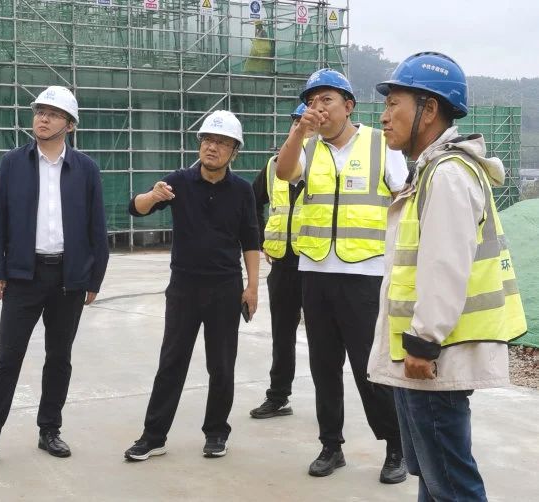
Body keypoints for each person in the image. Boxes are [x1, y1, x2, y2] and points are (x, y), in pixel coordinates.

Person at [369, 52, 527, 501]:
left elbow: (445, 267)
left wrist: (423, 341)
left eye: (393, 103)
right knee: (434, 477)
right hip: (421, 355)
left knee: (453, 486)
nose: (384, 116)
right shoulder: (430, 171)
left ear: (429, 109)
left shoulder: (448, 175)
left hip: (433, 357)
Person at [0, 86, 110, 473]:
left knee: (59, 358)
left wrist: (94, 277)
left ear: (70, 125)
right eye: (39, 111)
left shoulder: (86, 169)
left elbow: (97, 227)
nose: (42, 118)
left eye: (52, 113)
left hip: (69, 277)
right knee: (7, 359)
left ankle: (50, 430)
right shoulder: (13, 163)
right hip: (23, 276)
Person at [275, 69, 408, 483]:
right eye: (311, 101)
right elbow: (283, 172)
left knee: (370, 369)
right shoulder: (307, 146)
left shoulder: (380, 144)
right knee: (323, 366)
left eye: (326, 99)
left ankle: (396, 447)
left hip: (364, 274)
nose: (318, 108)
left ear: (348, 106)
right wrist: (299, 131)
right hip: (316, 272)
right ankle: (331, 446)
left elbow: (404, 201)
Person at [123, 110, 260, 461]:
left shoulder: (242, 191)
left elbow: (250, 241)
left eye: (222, 142)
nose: (212, 147)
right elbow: (135, 208)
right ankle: (153, 436)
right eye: (207, 140)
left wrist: (252, 287)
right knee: (172, 361)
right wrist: (153, 196)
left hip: (225, 287)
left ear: (234, 151)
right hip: (184, 286)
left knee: (222, 364)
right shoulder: (179, 182)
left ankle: (216, 433)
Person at [249, 103, 308, 419]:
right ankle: (278, 396)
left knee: (327, 340)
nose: (301, 128)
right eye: (296, 122)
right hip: (284, 264)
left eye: (306, 123)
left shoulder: (329, 167)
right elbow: (252, 202)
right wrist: (262, 239)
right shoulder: (274, 166)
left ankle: (332, 408)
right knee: (282, 335)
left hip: (318, 264)